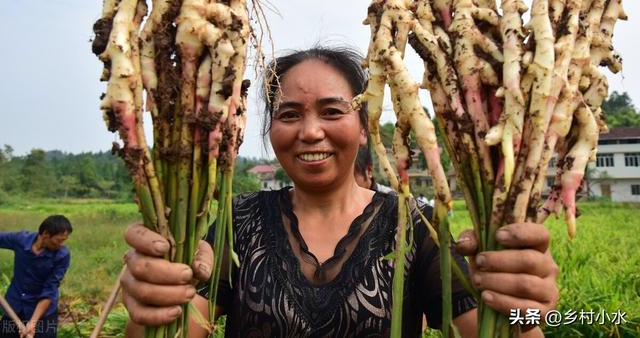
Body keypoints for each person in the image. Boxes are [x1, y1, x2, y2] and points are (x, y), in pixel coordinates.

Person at [121, 47, 559, 337]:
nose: (311, 132)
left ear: (365, 127)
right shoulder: (239, 222)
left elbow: (494, 326)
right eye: (289, 114)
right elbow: (177, 328)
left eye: (332, 111)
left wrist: (518, 309)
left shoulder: (416, 225)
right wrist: (150, 304)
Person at [0, 215, 72, 338]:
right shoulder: (21, 240)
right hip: (14, 306)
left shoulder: (61, 255)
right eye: (59, 240)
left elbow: (50, 290)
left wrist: (32, 323)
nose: (61, 244)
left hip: (42, 313)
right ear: (45, 234)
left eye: (64, 240)